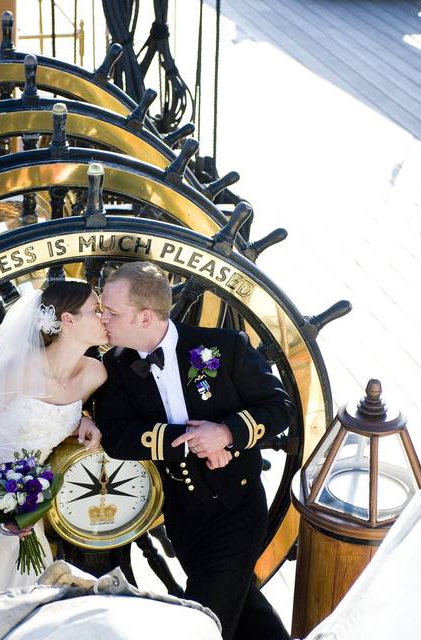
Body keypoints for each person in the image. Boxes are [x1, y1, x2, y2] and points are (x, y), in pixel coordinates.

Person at [93, 262, 292, 640]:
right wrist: (189, 441)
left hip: (236, 509)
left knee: (199, 625)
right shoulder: (116, 367)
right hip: (183, 520)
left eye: (113, 312)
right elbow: (117, 435)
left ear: (145, 317)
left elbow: (279, 407)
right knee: (246, 610)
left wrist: (226, 433)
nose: (104, 319)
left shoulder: (224, 347)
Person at [0, 280, 108, 597]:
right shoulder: (18, 371)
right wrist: (2, 503)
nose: (104, 317)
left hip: (31, 500)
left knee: (27, 582)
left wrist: (88, 420)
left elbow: (59, 418)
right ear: (68, 321)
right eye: (96, 310)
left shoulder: (94, 374)